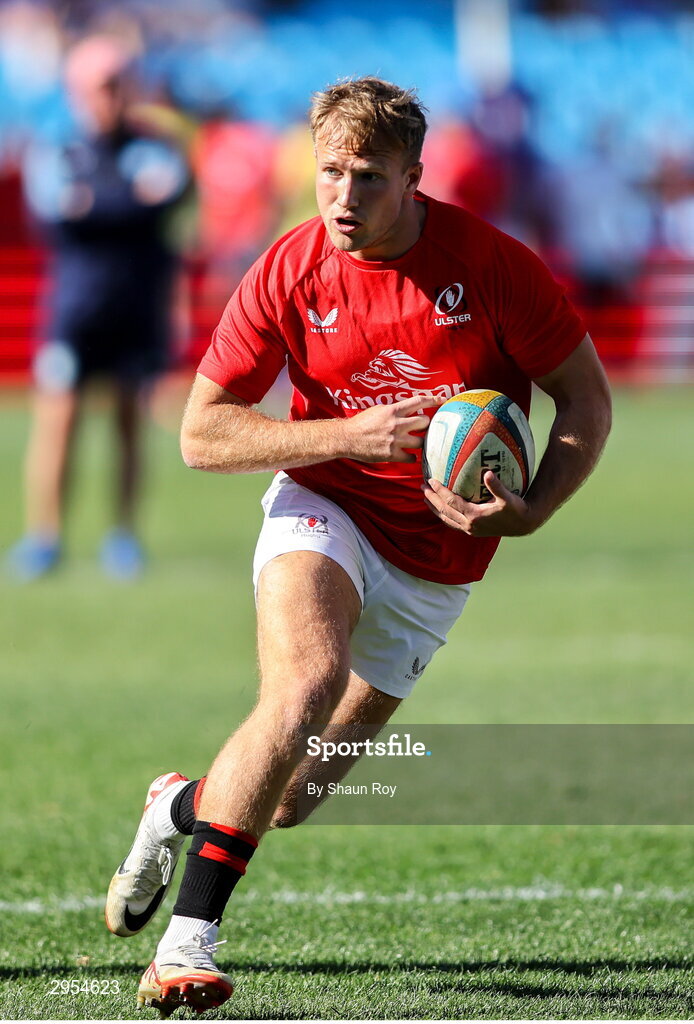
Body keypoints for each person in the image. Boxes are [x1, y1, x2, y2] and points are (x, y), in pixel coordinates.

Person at [104, 77, 611, 1016]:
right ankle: (188, 943)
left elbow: (587, 400)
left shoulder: (496, 267)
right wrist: (346, 435)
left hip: (441, 561)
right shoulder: (290, 267)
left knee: (290, 798)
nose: (342, 196)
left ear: (415, 178)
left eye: (368, 177)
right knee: (302, 686)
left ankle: (176, 806)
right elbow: (202, 433)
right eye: (329, 172)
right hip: (323, 505)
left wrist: (534, 507)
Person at [7, 35, 189, 581]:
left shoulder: (158, 146)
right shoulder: (57, 148)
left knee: (130, 423)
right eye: (98, 86)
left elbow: (169, 196)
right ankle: (44, 538)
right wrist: (130, 200)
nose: (109, 96)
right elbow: (55, 216)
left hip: (137, 306)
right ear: (77, 90)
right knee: (58, 421)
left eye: (117, 84)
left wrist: (96, 203)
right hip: (75, 310)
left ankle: (124, 536)